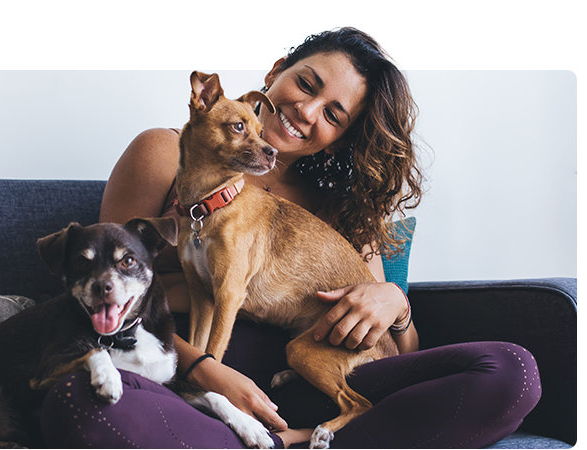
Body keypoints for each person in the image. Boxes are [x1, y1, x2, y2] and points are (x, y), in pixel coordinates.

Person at [39, 26, 540, 449]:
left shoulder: (339, 208)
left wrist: (395, 302)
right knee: (78, 402)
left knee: (511, 372)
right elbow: (105, 293)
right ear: (276, 71)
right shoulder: (166, 153)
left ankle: (303, 437)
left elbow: (400, 349)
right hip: (186, 382)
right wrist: (208, 373)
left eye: (333, 114)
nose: (307, 110)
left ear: (340, 138)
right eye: (306, 83)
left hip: (315, 381)